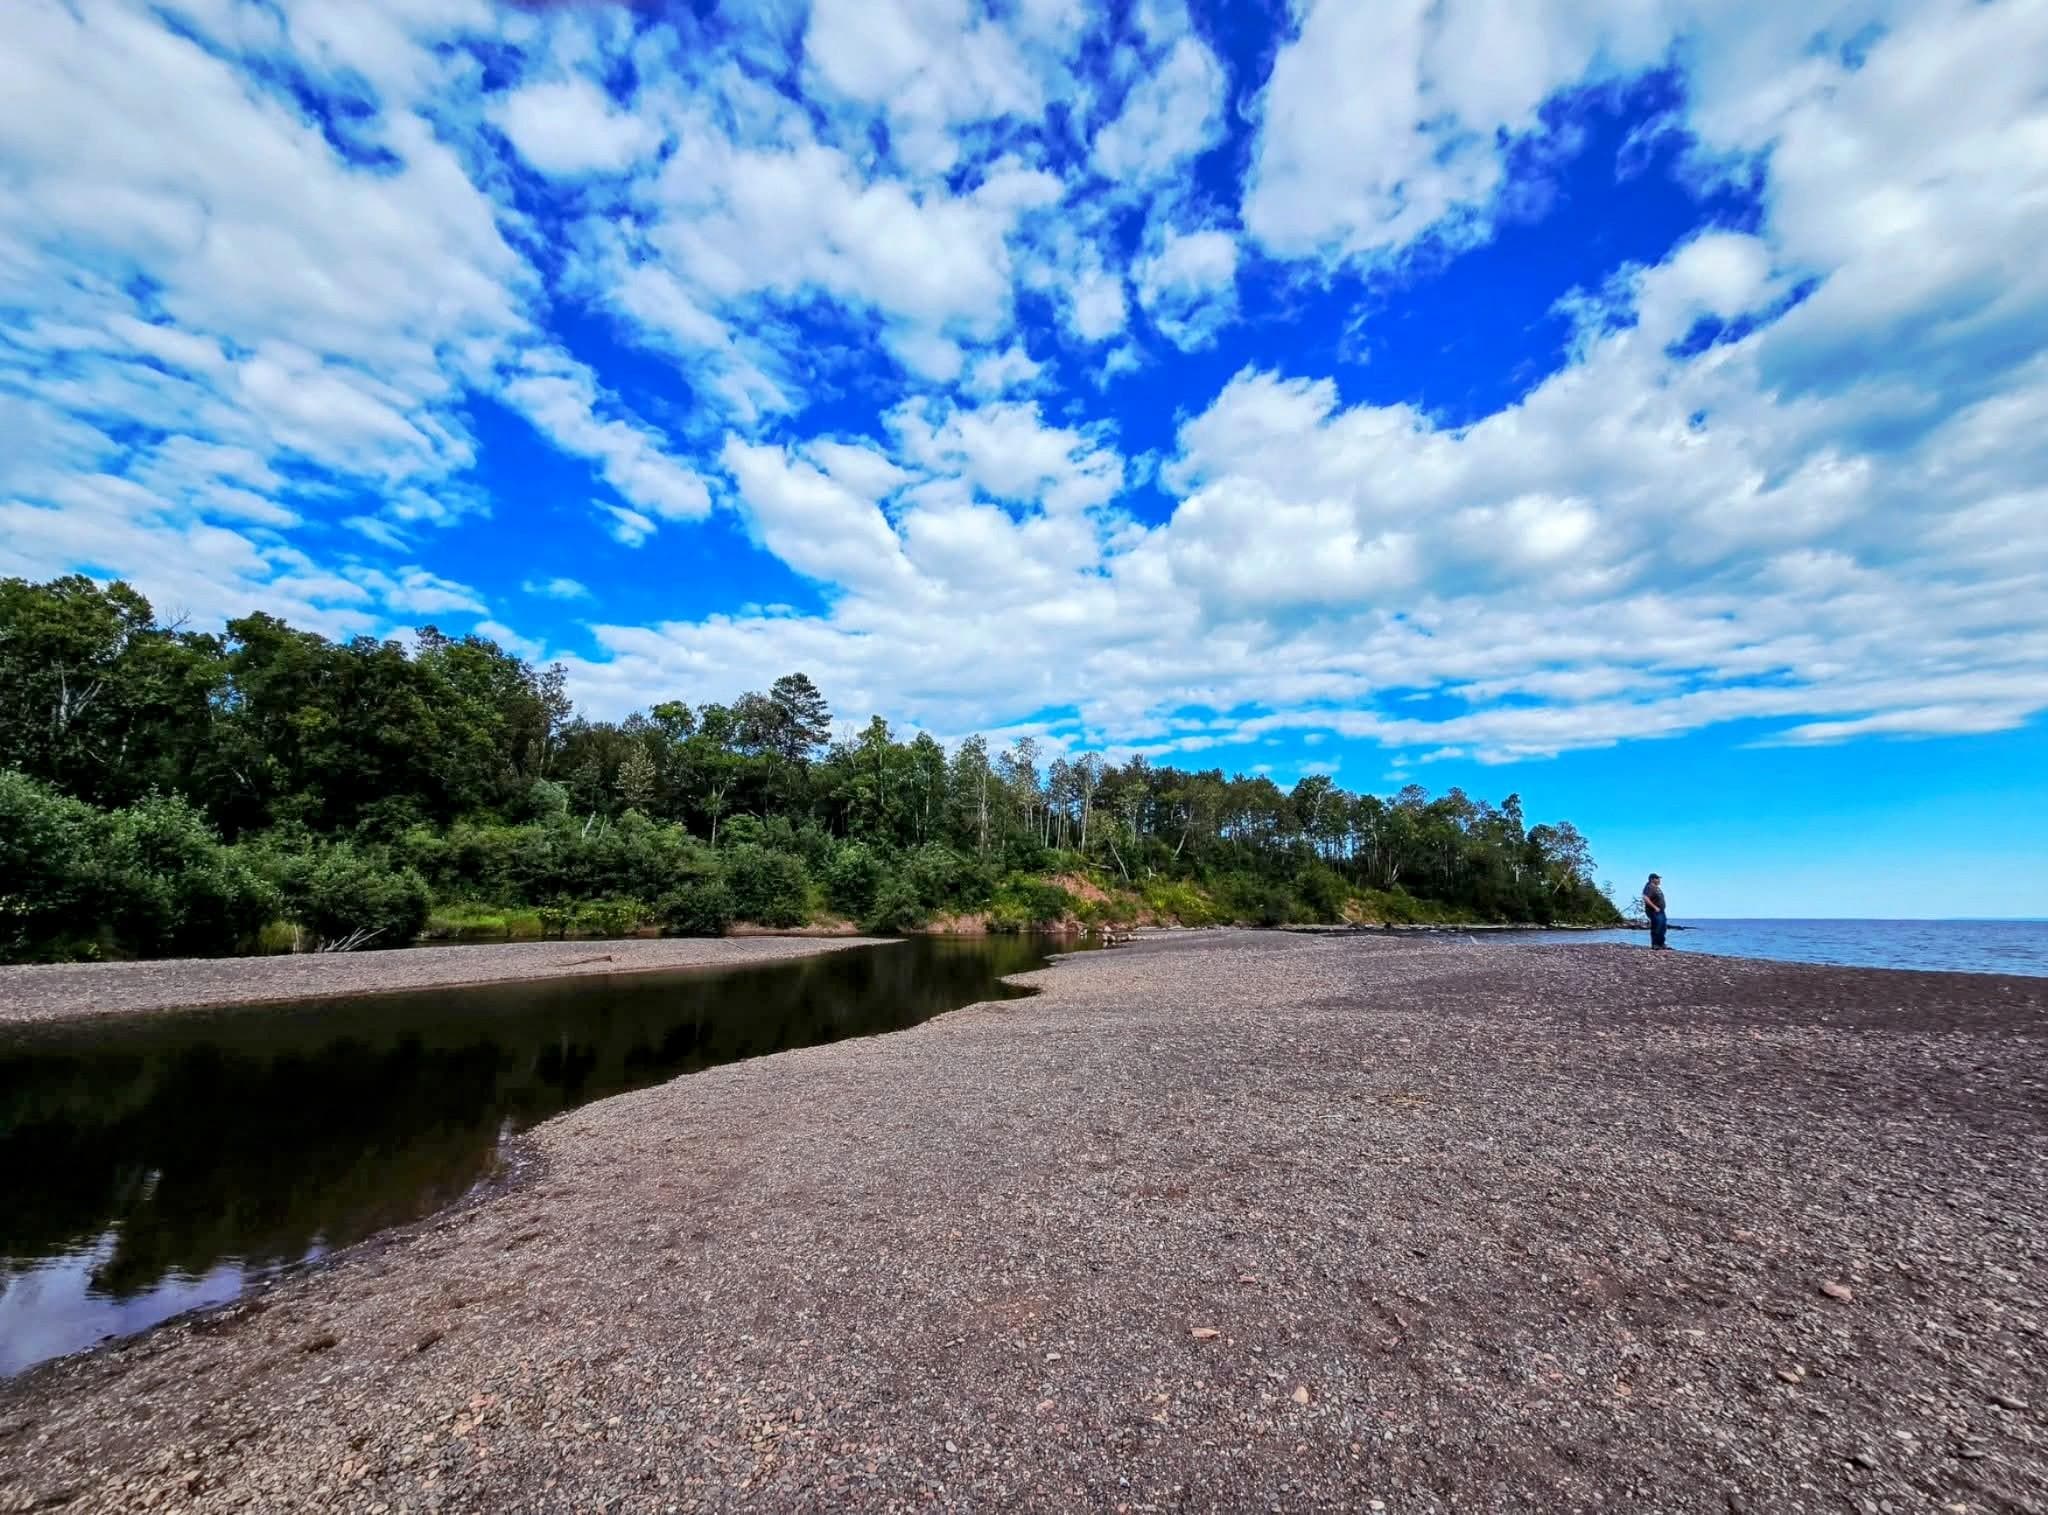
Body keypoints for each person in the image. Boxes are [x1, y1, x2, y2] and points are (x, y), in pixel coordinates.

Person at [1642, 873, 1671, 950]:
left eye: (1659, 878)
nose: (1659, 880)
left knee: (1663, 927)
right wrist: (1654, 907)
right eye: (1657, 878)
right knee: (1657, 927)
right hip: (1654, 911)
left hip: (1661, 911)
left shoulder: (1656, 887)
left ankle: (1661, 944)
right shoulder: (1649, 887)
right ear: (1652, 879)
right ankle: (1655, 944)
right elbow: (1645, 897)